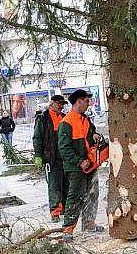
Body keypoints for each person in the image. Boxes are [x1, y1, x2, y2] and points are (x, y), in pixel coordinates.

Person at [57, 89, 103, 242]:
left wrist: (95, 136)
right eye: (86, 101)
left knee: (92, 193)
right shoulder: (66, 122)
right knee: (75, 196)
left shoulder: (86, 119)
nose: (88, 103)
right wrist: (79, 161)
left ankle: (89, 223)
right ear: (79, 101)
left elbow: (91, 136)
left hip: (91, 163)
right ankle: (68, 229)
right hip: (75, 167)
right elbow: (64, 148)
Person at [33, 94, 68, 222]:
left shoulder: (64, 118)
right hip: (51, 157)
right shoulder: (42, 119)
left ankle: (65, 209)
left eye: (63, 105)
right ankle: (55, 212)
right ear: (52, 103)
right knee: (54, 185)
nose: (61, 107)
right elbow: (37, 137)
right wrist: (38, 155)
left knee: (66, 183)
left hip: (65, 157)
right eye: (60, 104)